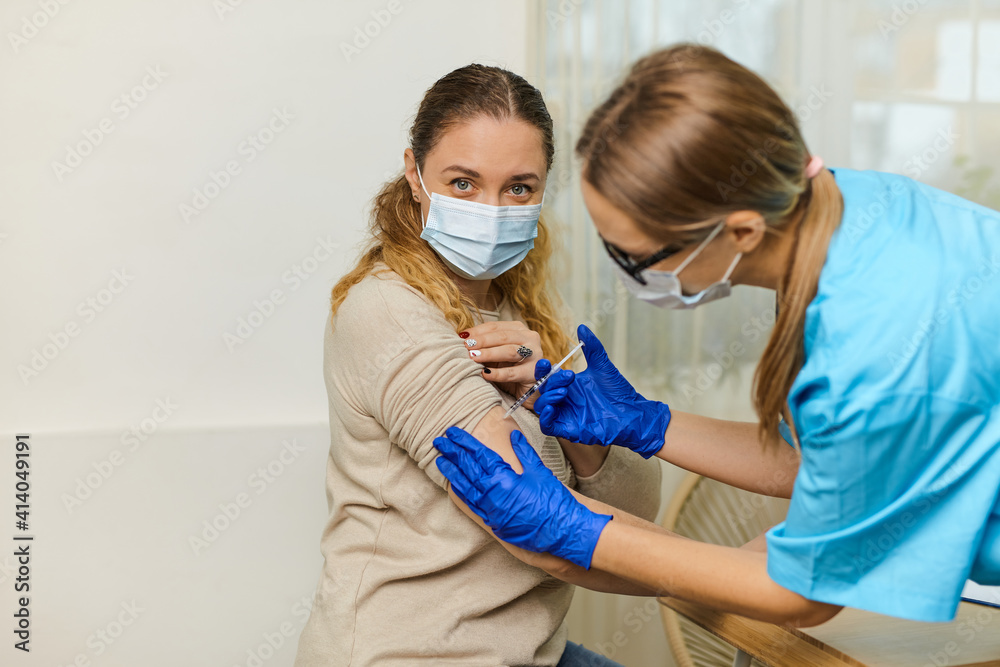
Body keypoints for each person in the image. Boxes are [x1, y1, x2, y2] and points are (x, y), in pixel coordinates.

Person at [434, 44, 1000, 627]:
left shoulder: (881, 337)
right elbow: (818, 457)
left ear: (742, 232)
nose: (630, 274)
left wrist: (577, 531)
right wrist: (646, 422)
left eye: (634, 256)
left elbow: (803, 595)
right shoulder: (841, 210)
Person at [293, 64, 663, 667]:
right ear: (414, 173)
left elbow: (636, 501)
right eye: (463, 183)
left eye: (519, 188)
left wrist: (568, 412)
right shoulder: (385, 309)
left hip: (535, 650)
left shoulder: (537, 312)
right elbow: (537, 517)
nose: (491, 211)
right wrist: (726, 577)